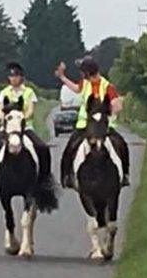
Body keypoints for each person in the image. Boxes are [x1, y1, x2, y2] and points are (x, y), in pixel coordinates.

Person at [55, 56, 130, 189]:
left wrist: (105, 113)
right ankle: (67, 176)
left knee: (121, 144)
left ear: (88, 73)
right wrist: (62, 77)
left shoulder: (108, 87)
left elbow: (118, 106)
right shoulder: (85, 83)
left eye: (82, 72)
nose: (81, 75)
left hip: (104, 126)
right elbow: (76, 89)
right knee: (70, 147)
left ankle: (124, 175)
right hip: (85, 125)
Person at [0, 62, 51, 191]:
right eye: (11, 76)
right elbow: (0, 110)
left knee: (42, 148)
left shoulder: (29, 92)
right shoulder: (4, 93)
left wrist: (21, 119)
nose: (14, 79)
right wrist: (6, 119)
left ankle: (44, 177)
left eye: (16, 76)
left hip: (25, 128)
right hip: (7, 129)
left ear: (21, 78)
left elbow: (30, 109)